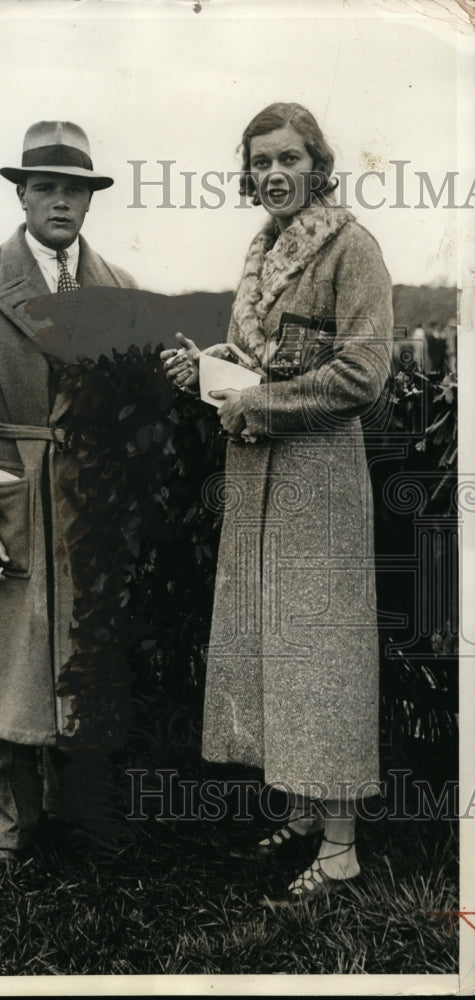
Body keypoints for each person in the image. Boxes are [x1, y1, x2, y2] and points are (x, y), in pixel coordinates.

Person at [162, 102, 393, 900]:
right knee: (275, 649)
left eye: (289, 158)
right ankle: (300, 813)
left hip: (320, 481)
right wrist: (214, 366)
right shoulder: (261, 250)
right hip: (260, 478)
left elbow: (361, 379)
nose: (274, 174)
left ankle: (341, 846)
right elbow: (272, 359)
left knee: (321, 653)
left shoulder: (352, 248)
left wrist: (256, 400)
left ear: (317, 165)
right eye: (261, 160)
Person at [0, 121, 137, 876]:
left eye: (73, 188)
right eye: (45, 186)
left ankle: (83, 817)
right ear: (20, 194)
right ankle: (8, 835)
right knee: (7, 665)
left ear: (89, 200)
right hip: (10, 499)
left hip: (89, 507)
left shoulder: (114, 289)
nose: (60, 201)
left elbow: (127, 409)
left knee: (86, 658)